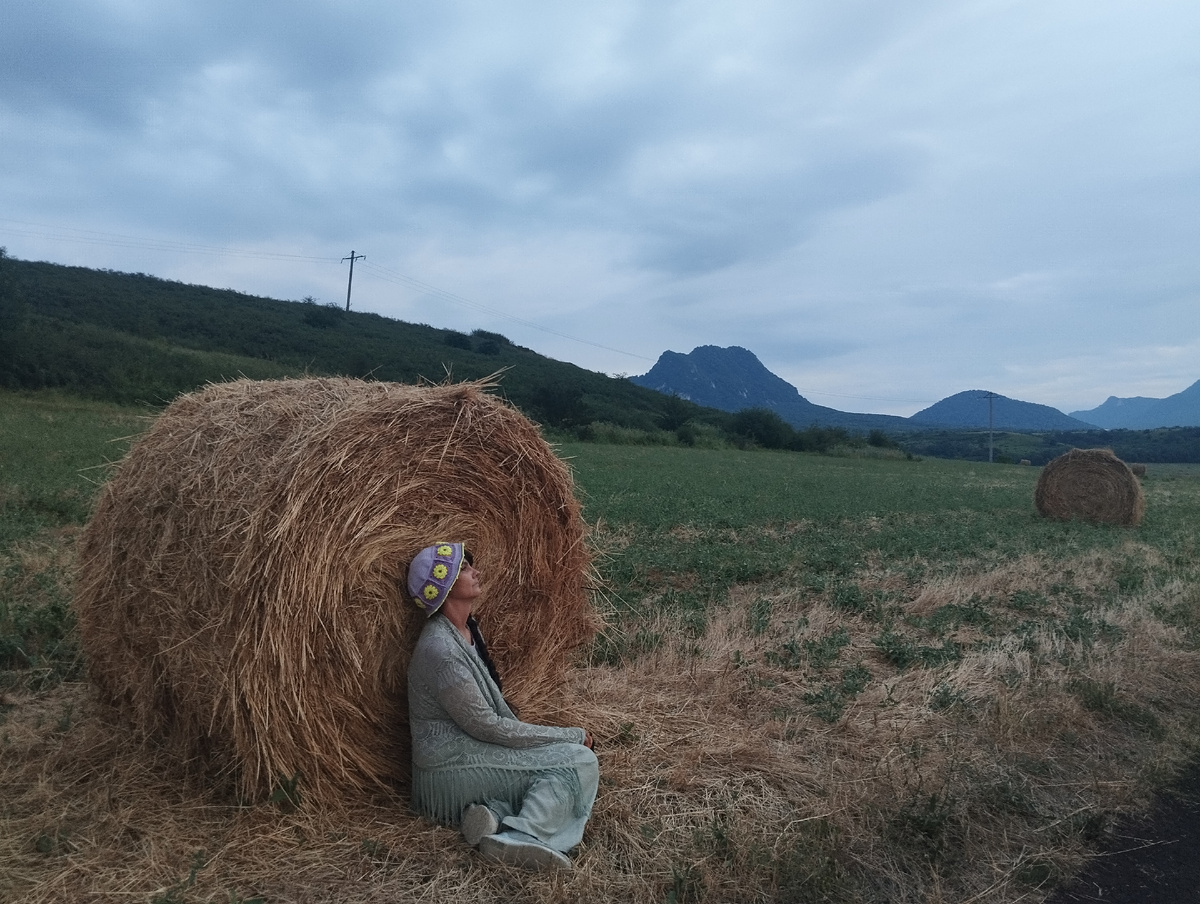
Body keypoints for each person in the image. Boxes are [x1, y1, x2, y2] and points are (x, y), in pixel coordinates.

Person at [405, 542, 598, 870]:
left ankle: (492, 816)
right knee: (577, 762)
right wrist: (568, 736)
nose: (476, 572)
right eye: (465, 569)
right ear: (446, 584)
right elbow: (487, 726)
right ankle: (523, 837)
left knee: (557, 761)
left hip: (468, 752)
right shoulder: (441, 650)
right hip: (446, 770)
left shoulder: (466, 631)